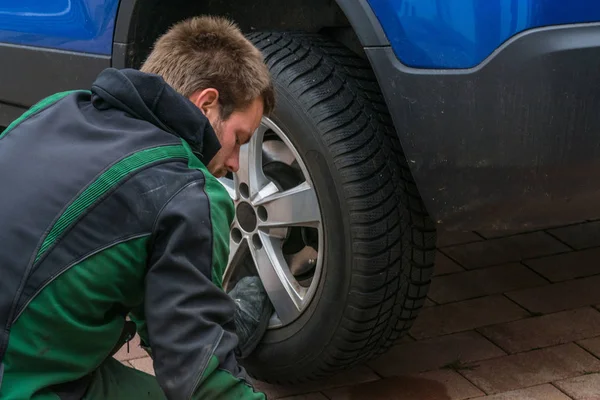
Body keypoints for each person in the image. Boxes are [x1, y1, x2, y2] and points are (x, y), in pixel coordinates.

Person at [0, 15, 275, 400]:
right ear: (208, 104)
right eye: (239, 139)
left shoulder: (54, 108)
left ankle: (212, 316)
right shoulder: (187, 190)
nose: (234, 164)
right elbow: (194, 377)